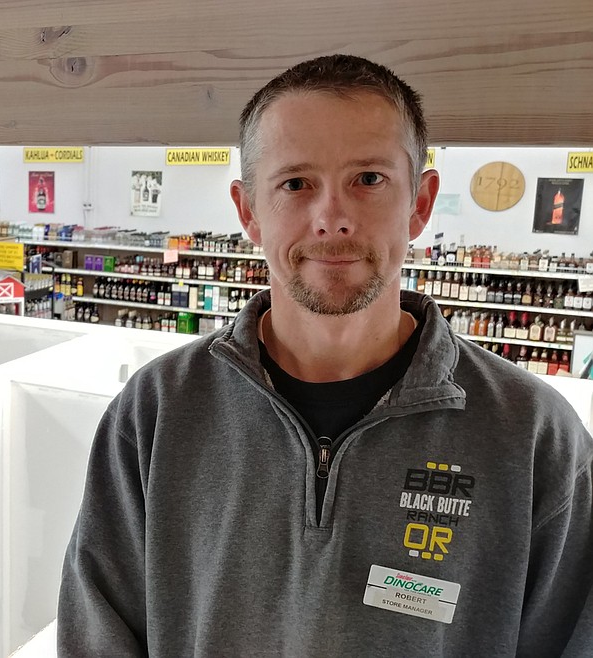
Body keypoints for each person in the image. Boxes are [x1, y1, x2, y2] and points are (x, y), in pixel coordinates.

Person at [57, 54, 593, 656]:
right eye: (295, 183)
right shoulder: (154, 412)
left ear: (420, 203)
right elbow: (98, 631)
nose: (332, 219)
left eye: (368, 179)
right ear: (248, 212)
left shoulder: (534, 435)